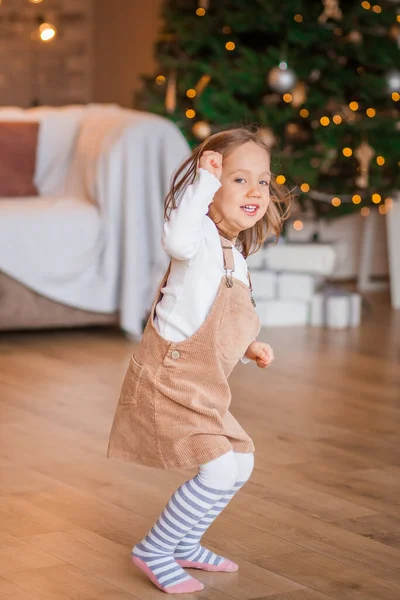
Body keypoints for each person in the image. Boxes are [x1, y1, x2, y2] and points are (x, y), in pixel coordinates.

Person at [107, 127, 291, 594]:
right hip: (169, 379)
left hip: (205, 382)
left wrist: (250, 346)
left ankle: (186, 542)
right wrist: (203, 182)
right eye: (238, 180)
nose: (255, 191)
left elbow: (219, 316)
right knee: (218, 468)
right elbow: (176, 238)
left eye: (263, 182)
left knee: (241, 462)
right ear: (211, 184)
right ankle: (155, 548)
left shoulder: (237, 255)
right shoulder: (199, 239)